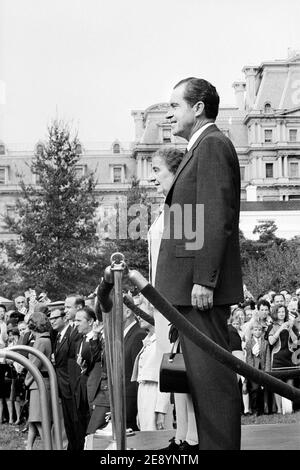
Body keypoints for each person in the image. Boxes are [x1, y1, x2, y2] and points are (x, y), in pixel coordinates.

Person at [155, 77, 243, 449]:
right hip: (190, 289)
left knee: (212, 385)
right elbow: (196, 220)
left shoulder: (211, 145)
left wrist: (205, 279)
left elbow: (214, 216)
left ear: (198, 107)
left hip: (199, 291)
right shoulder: (200, 148)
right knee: (203, 386)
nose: (169, 112)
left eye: (175, 105)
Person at [148, 147, 198, 451]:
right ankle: (182, 435)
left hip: (177, 305)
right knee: (175, 373)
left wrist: (180, 309)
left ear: (175, 171)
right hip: (164, 305)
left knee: (186, 374)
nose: (153, 177)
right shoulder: (168, 206)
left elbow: (190, 257)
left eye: (157, 170)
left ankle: (192, 438)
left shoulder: (185, 206)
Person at [131, 297, 173, 431]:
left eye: (142, 312)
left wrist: (161, 410)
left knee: (158, 439)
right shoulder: (148, 339)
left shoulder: (163, 339)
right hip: (145, 392)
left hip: (156, 392)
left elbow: (166, 376)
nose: (139, 317)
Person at [24, 312, 52, 450]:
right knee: (34, 419)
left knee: (38, 419)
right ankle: (28, 446)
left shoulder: (41, 341)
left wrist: (26, 381)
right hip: (40, 381)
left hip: (38, 382)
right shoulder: (45, 338)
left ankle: (48, 446)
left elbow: (34, 364)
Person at [268, 305, 298, 414]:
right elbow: (271, 341)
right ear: (275, 313)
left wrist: (289, 330)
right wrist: (281, 329)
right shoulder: (272, 326)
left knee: (290, 384)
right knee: (278, 384)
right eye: (279, 312)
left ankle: (290, 408)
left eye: (283, 312)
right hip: (277, 358)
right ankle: (280, 410)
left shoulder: (291, 324)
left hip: (289, 358)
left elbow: (295, 342)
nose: (281, 313)